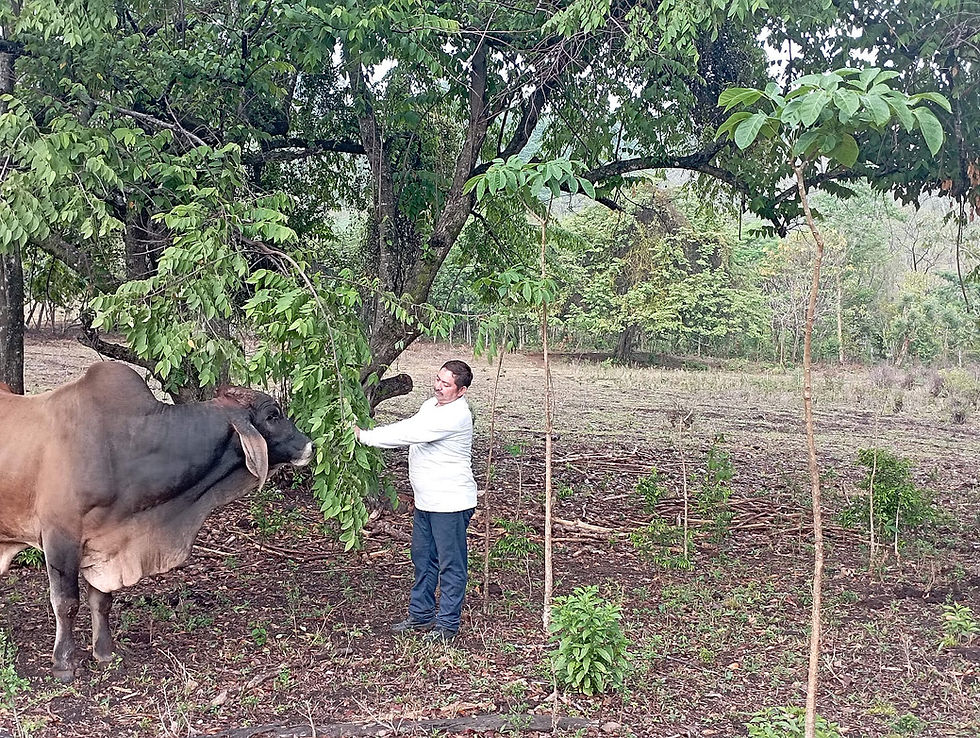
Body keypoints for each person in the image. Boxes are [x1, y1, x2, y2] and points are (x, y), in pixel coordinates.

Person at [354, 360, 477, 642]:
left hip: (450, 504)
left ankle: (447, 626)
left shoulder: (456, 416)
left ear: (461, 391)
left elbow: (411, 434)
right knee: (423, 559)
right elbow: (411, 423)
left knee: (451, 564)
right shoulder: (430, 407)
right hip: (426, 502)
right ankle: (421, 615)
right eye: (437, 379)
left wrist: (366, 437)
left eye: (446, 384)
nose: (438, 386)